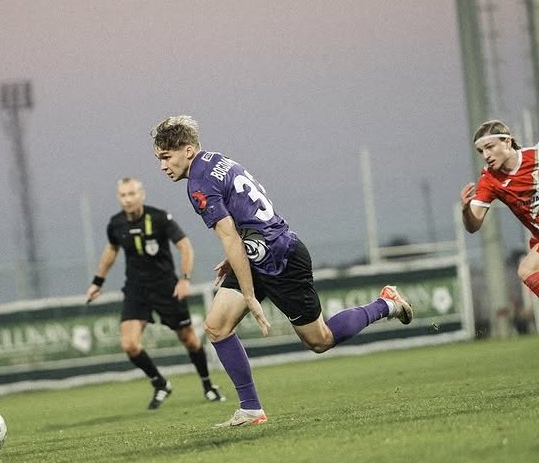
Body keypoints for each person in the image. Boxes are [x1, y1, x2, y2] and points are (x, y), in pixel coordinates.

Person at [152, 116, 413, 428]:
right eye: (159, 159)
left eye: (166, 157)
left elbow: (230, 237)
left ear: (188, 150)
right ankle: (251, 409)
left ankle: (386, 304)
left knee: (320, 340)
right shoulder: (215, 160)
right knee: (216, 327)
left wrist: (249, 294)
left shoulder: (198, 183)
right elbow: (244, 217)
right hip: (258, 252)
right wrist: (236, 257)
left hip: (281, 258)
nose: (162, 166)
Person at [86, 177, 224, 409]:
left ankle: (208, 385)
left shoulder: (160, 218)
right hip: (136, 290)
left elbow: (185, 246)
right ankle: (160, 383)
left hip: (166, 287)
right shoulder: (116, 224)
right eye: (123, 195)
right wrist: (97, 282)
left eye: (132, 194)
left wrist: (184, 278)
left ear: (142, 195)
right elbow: (111, 249)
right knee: (129, 345)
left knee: (189, 340)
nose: (128, 199)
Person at [461, 119, 539, 299]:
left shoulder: (535, 155)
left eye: (489, 147)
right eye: (481, 151)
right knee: (527, 270)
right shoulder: (490, 180)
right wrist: (465, 210)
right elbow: (473, 226)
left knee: (527, 268)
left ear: (507, 142)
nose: (486, 155)